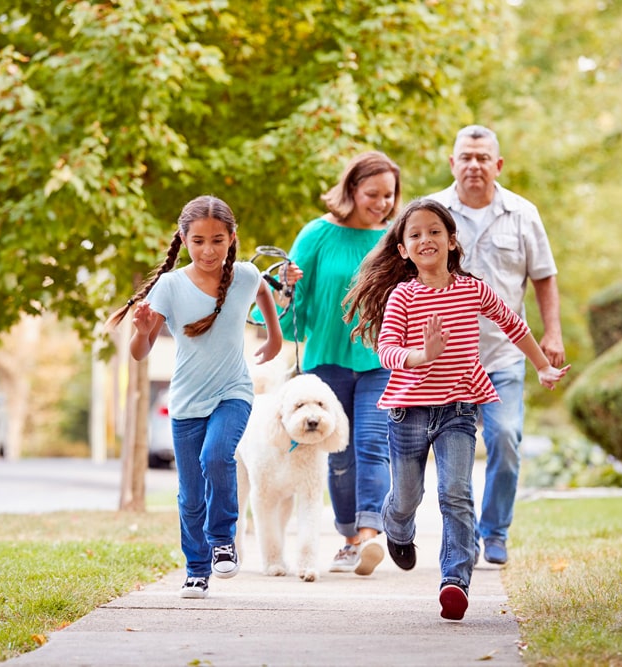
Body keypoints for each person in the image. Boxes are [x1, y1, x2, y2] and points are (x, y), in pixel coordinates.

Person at [342, 198, 569, 620]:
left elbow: (513, 323)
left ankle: (454, 581)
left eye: (434, 231)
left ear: (451, 240)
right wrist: (420, 355)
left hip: (458, 410)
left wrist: (541, 366)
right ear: (404, 250)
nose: (425, 239)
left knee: (456, 493)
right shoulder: (402, 296)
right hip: (408, 410)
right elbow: (387, 349)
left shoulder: (472, 289)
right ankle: (398, 530)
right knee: (407, 496)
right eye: (415, 235)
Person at [105, 195, 296, 600]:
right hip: (187, 403)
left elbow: (264, 292)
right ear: (184, 239)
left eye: (217, 240)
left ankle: (223, 539)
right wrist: (140, 331)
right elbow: (142, 352)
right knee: (190, 494)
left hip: (234, 392)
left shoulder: (244, 275)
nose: (208, 250)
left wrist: (275, 337)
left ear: (231, 238)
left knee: (216, 456)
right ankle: (196, 569)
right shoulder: (170, 286)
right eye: (198, 241)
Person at [427, 125, 565, 566]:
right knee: (451, 456)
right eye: (465, 156)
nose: (473, 165)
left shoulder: (523, 214)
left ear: (497, 165)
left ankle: (496, 531)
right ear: (452, 163)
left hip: (505, 354)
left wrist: (552, 333)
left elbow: (543, 275)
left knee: (506, 438)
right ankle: (461, 540)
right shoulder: (432, 214)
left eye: (482, 157)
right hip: (447, 360)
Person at [277, 151, 401, 576]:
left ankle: (369, 535)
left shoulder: (392, 241)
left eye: (389, 195)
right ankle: (348, 536)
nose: (383, 203)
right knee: (339, 453)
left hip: (378, 360)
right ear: (351, 189)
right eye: (373, 193)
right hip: (326, 361)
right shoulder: (316, 235)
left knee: (372, 443)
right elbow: (290, 303)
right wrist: (285, 288)